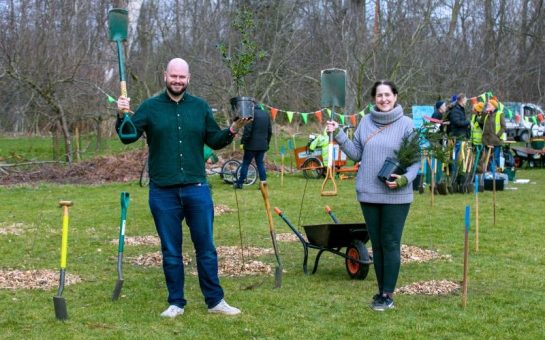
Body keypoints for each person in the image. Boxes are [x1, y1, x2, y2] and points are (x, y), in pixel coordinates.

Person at [116, 58, 251, 318]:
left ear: (188, 79)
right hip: (163, 191)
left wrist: (234, 128)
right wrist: (122, 115)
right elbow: (127, 136)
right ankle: (176, 302)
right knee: (171, 250)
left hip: (196, 189)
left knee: (206, 248)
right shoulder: (150, 107)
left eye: (182, 77)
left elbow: (214, 138)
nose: (177, 80)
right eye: (173, 76)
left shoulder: (199, 107)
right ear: (165, 76)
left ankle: (215, 301)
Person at [326, 80, 420, 311]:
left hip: (396, 194)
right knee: (376, 245)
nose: (384, 99)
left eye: (388, 95)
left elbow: (416, 161)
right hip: (369, 193)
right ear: (374, 99)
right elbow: (356, 154)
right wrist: (337, 133)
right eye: (379, 96)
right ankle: (381, 292)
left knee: (390, 243)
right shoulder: (366, 122)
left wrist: (404, 180)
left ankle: (388, 294)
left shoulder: (407, 124)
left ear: (396, 96)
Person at [233, 104, 272, 189]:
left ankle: (240, 183)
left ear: (251, 107)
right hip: (262, 145)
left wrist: (243, 142)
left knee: (246, 163)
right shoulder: (266, 114)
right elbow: (269, 131)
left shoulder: (251, 114)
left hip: (251, 145)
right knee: (260, 164)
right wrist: (267, 143)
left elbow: (247, 131)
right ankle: (263, 183)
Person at [480, 99, 506, 170]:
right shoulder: (486, 114)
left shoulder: (499, 114)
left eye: (489, 105)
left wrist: (497, 136)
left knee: (495, 158)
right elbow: (481, 122)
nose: (488, 106)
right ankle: (488, 174)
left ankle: (496, 174)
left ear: (494, 106)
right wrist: (484, 112)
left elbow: (503, 127)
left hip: (495, 141)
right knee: (486, 159)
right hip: (486, 141)